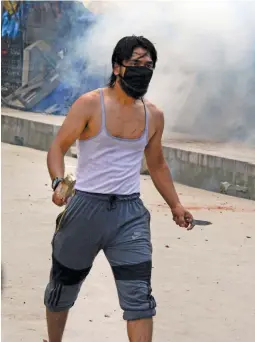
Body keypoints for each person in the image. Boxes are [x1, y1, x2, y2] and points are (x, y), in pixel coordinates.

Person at [44, 35, 193, 342]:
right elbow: (58, 147)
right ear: (117, 67)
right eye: (136, 63)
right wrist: (59, 182)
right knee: (62, 288)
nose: (143, 70)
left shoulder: (153, 115)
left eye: (149, 65)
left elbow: (157, 164)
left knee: (139, 300)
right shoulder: (89, 104)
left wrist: (176, 205)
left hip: (129, 214)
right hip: (84, 209)